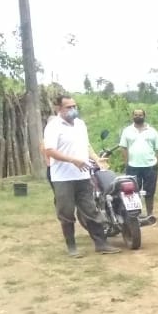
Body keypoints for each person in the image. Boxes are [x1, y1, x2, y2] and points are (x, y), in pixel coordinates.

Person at [43, 95, 120, 257]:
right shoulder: (53, 126)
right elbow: (49, 151)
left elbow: (86, 145)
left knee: (91, 210)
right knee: (66, 212)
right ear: (58, 108)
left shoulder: (80, 124)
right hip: (63, 178)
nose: (73, 110)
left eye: (74, 106)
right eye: (69, 107)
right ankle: (72, 247)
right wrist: (73, 160)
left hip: (83, 176)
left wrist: (96, 159)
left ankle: (101, 244)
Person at [118, 108, 158, 219]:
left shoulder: (152, 131)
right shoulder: (127, 131)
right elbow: (123, 147)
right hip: (133, 166)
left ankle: (150, 214)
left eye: (140, 115)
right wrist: (127, 162)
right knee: (133, 192)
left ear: (144, 116)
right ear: (132, 116)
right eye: (136, 115)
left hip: (150, 166)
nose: (138, 117)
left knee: (150, 191)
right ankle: (136, 215)